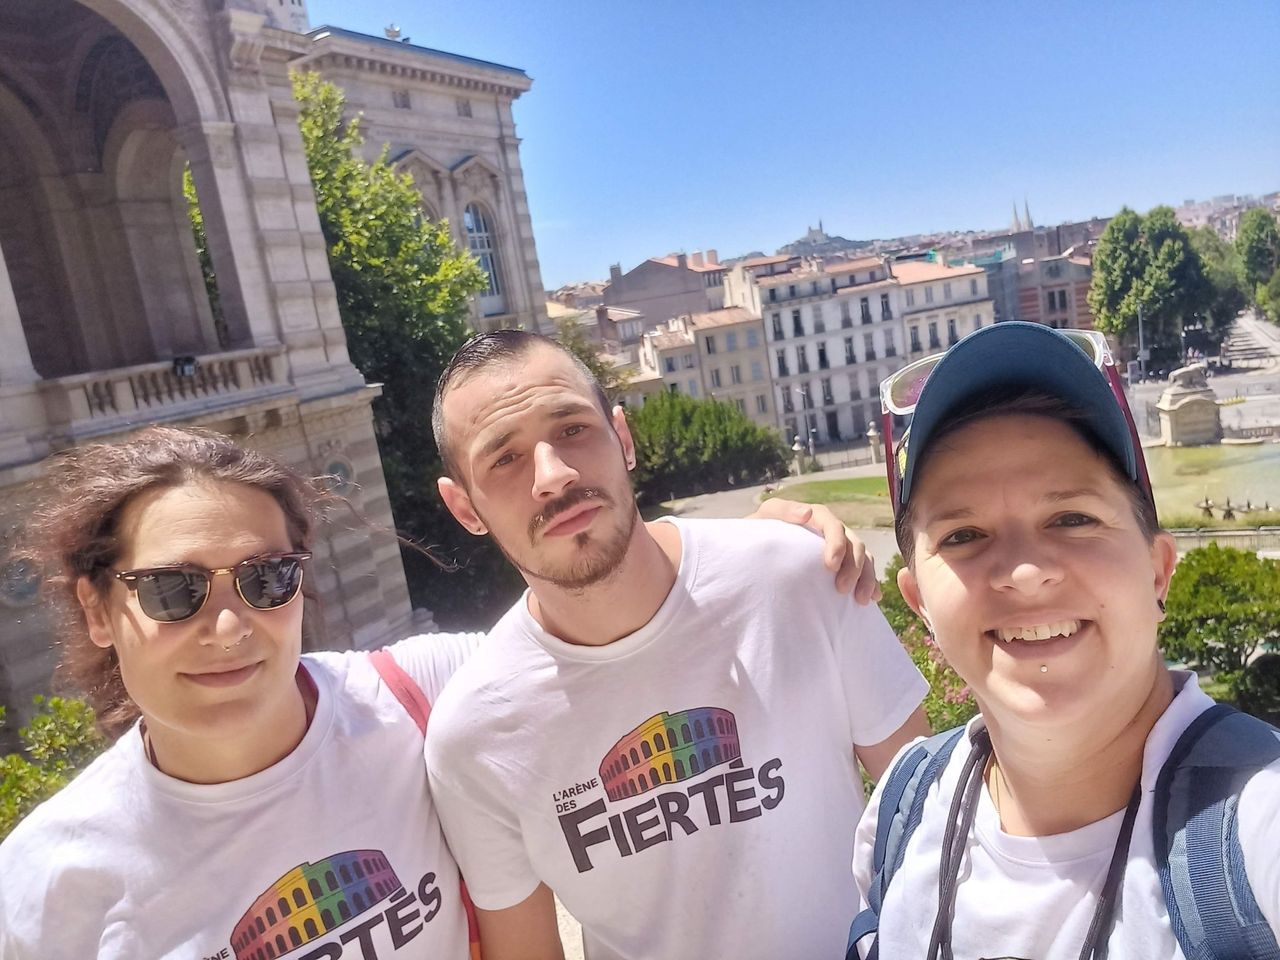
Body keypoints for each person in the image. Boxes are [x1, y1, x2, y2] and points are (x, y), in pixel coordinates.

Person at [0, 426, 872, 959]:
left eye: (266, 579)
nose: (229, 627)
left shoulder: (422, 696)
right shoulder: (44, 889)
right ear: (100, 608)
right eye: (173, 591)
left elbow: (612, 631)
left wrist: (766, 549)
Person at [425, 330, 931, 960]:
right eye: (504, 459)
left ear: (624, 438)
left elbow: (931, 824)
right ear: (464, 508)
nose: (553, 475)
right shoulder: (472, 734)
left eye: (573, 429)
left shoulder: (799, 576)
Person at [848, 322, 1280, 960]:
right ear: (920, 608)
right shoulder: (903, 810)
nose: (1025, 573)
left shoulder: (1260, 833)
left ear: (1158, 569)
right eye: (963, 535)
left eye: (1073, 518)